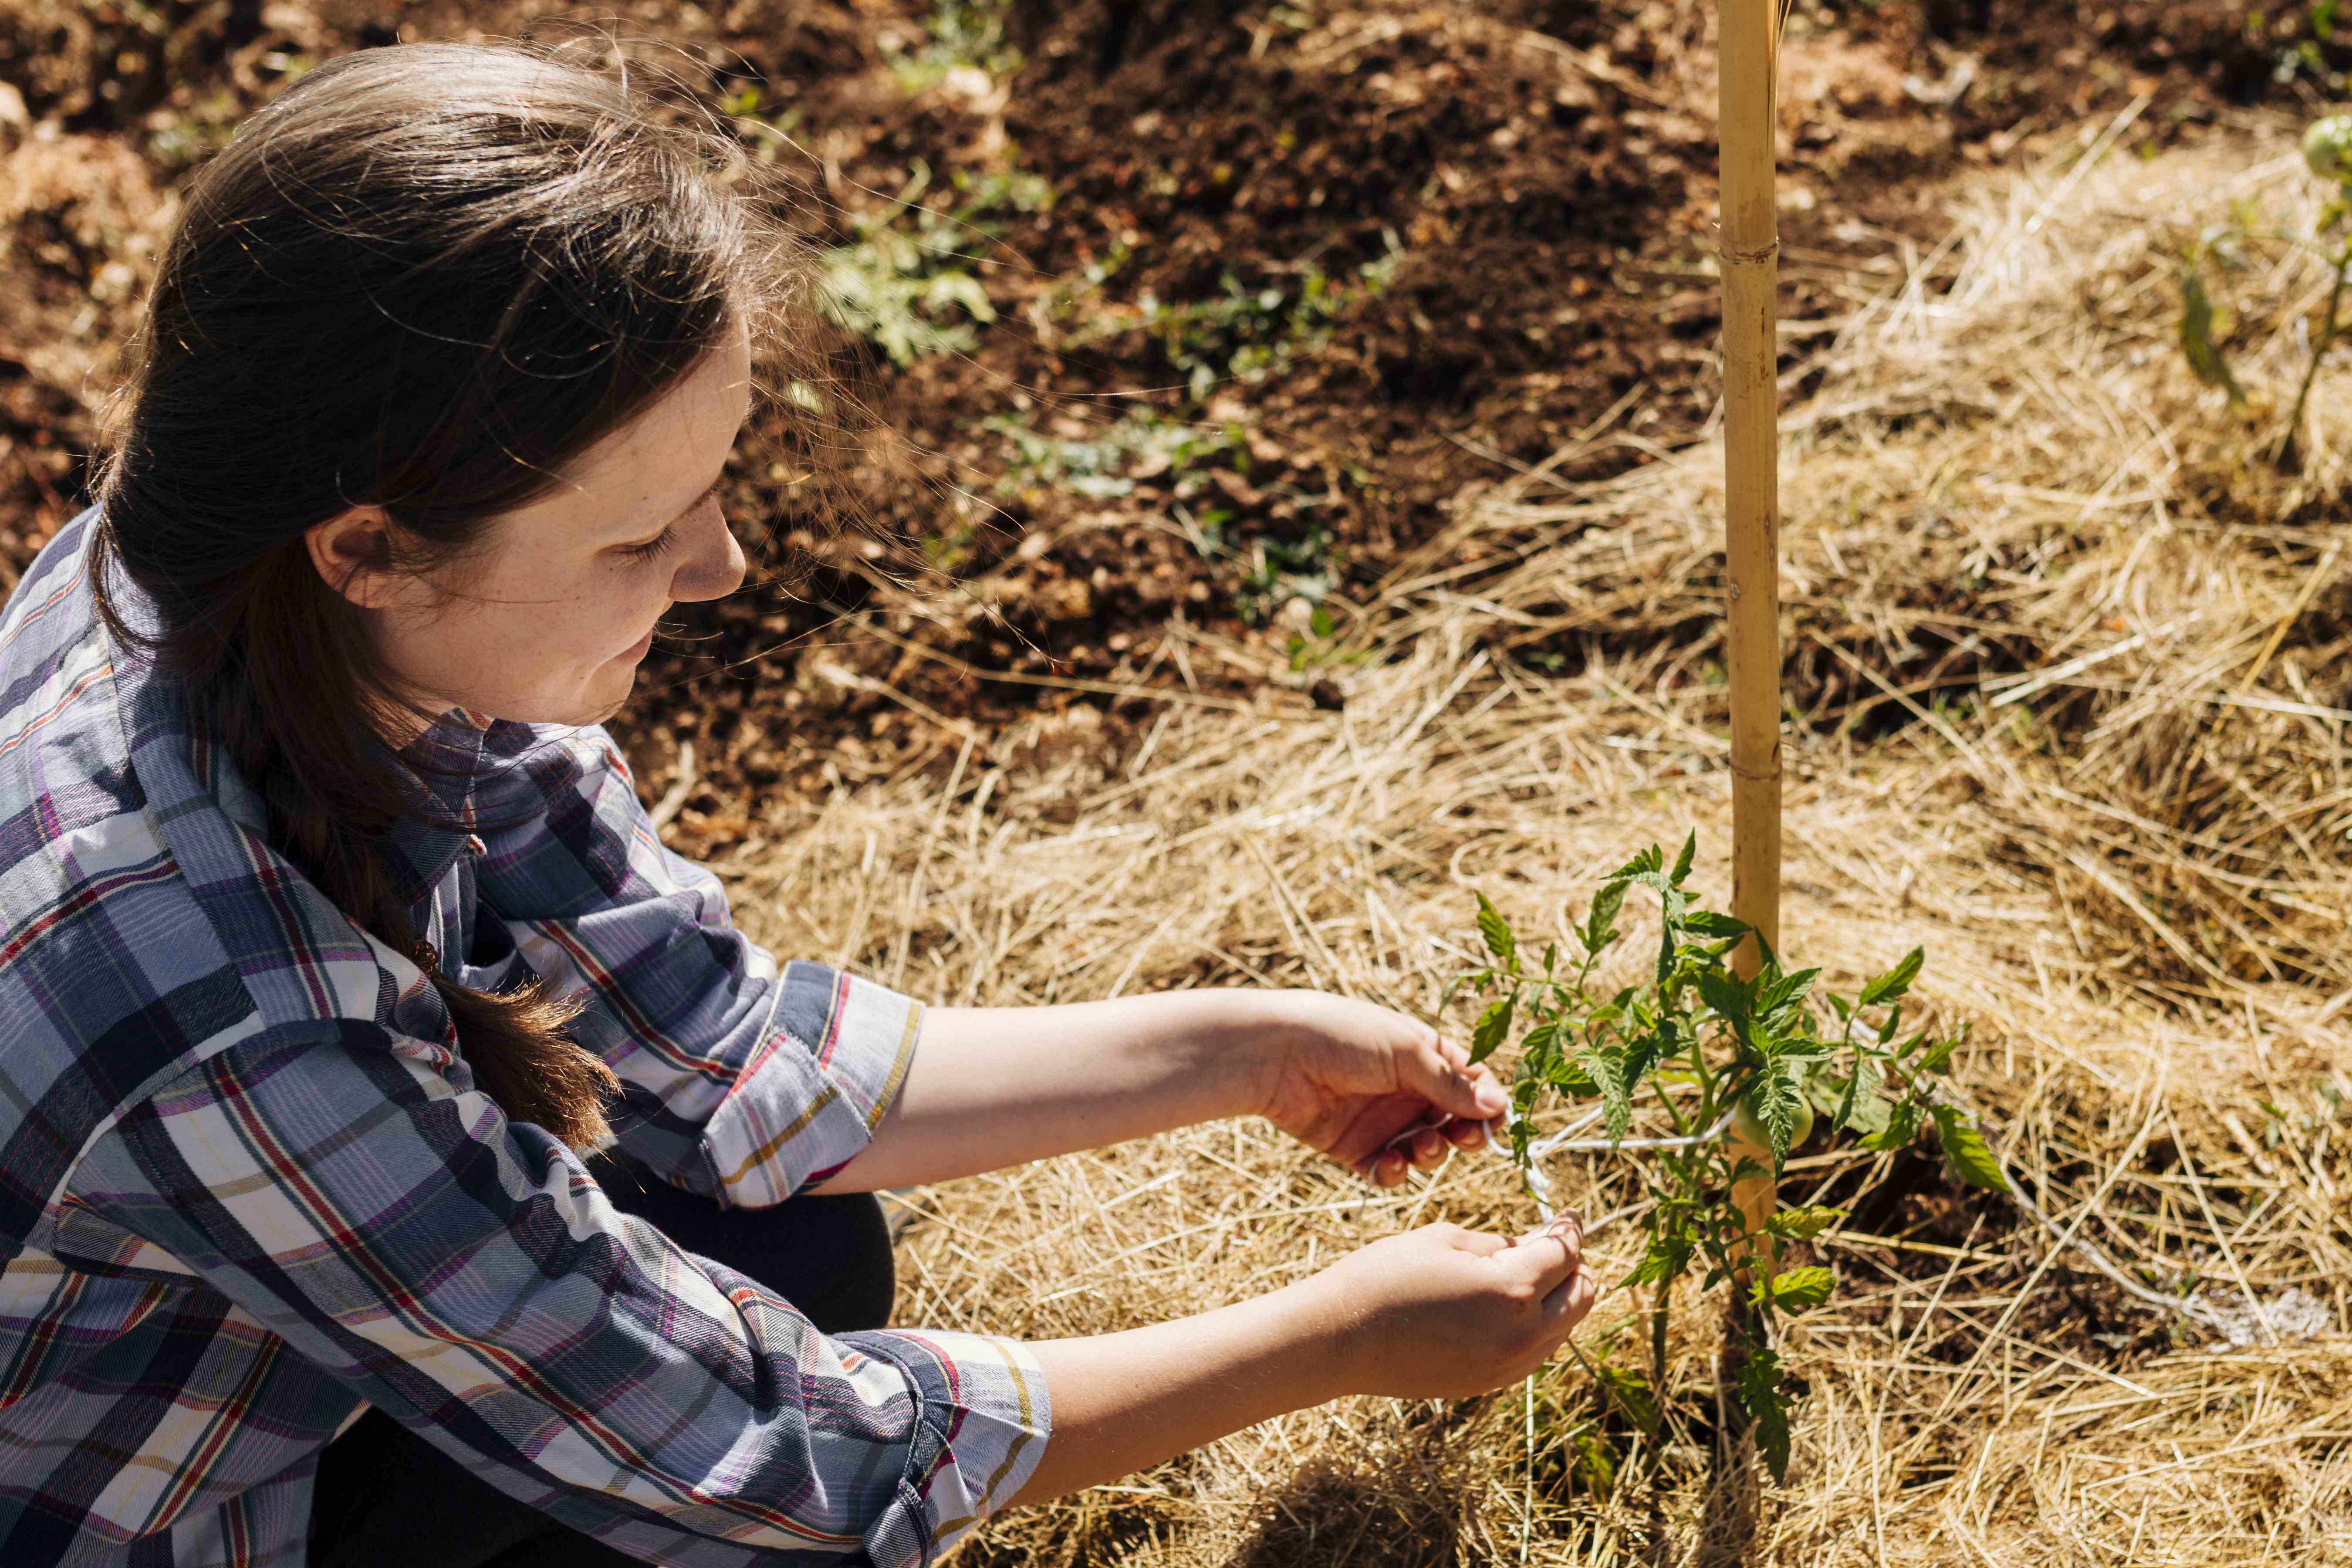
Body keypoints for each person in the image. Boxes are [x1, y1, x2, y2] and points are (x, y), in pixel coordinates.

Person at [0, 40, 1599, 1568]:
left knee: (796, 1242)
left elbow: (735, 1050)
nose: (720, 568)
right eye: (639, 539)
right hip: (149, 1517)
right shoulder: (218, 1005)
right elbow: (776, 1457)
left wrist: (1244, 1053)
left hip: (279, 1352)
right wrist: (1334, 1342)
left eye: (715, 490)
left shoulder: (245, 588)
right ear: (367, 546)